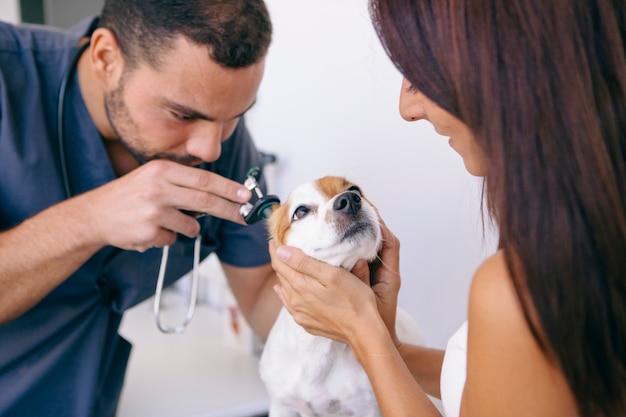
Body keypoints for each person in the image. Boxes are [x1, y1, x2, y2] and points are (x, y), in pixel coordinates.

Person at [269, 0, 626, 416]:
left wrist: (365, 334)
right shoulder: (581, 248)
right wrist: (387, 343)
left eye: (420, 74)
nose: (407, 108)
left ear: (506, 65)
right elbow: (496, 384)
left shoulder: (517, 290)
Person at [0, 0, 281, 415]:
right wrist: (91, 219)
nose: (210, 148)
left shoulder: (218, 138)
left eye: (234, 117)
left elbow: (260, 293)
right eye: (181, 114)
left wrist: (341, 295)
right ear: (106, 58)